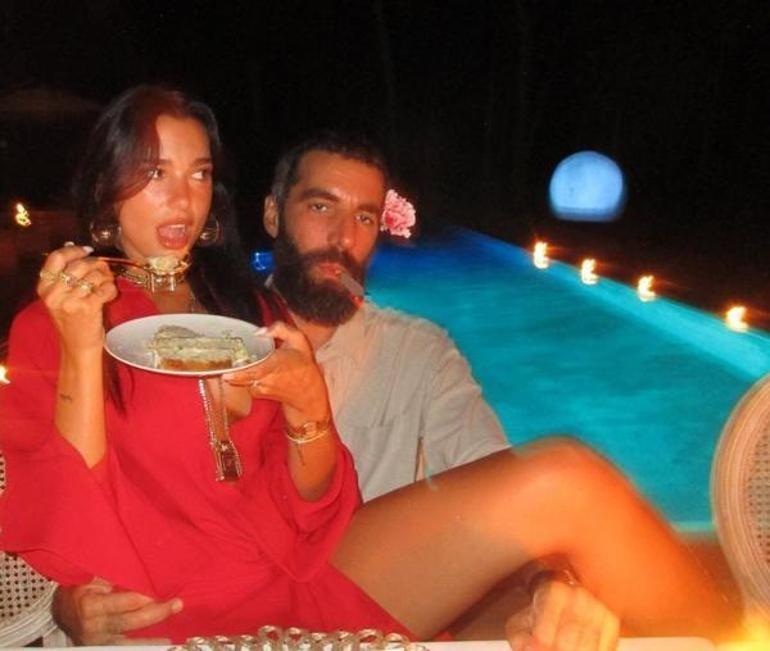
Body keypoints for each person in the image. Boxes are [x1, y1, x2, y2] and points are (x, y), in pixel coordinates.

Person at [1, 87, 735, 649]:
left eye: (197, 173)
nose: (182, 197)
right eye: (154, 172)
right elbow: (68, 508)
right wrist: (81, 345)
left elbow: (315, 502)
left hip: (306, 572)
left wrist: (309, 409)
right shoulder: (62, 316)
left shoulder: (246, 309)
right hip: (183, 605)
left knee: (568, 478)